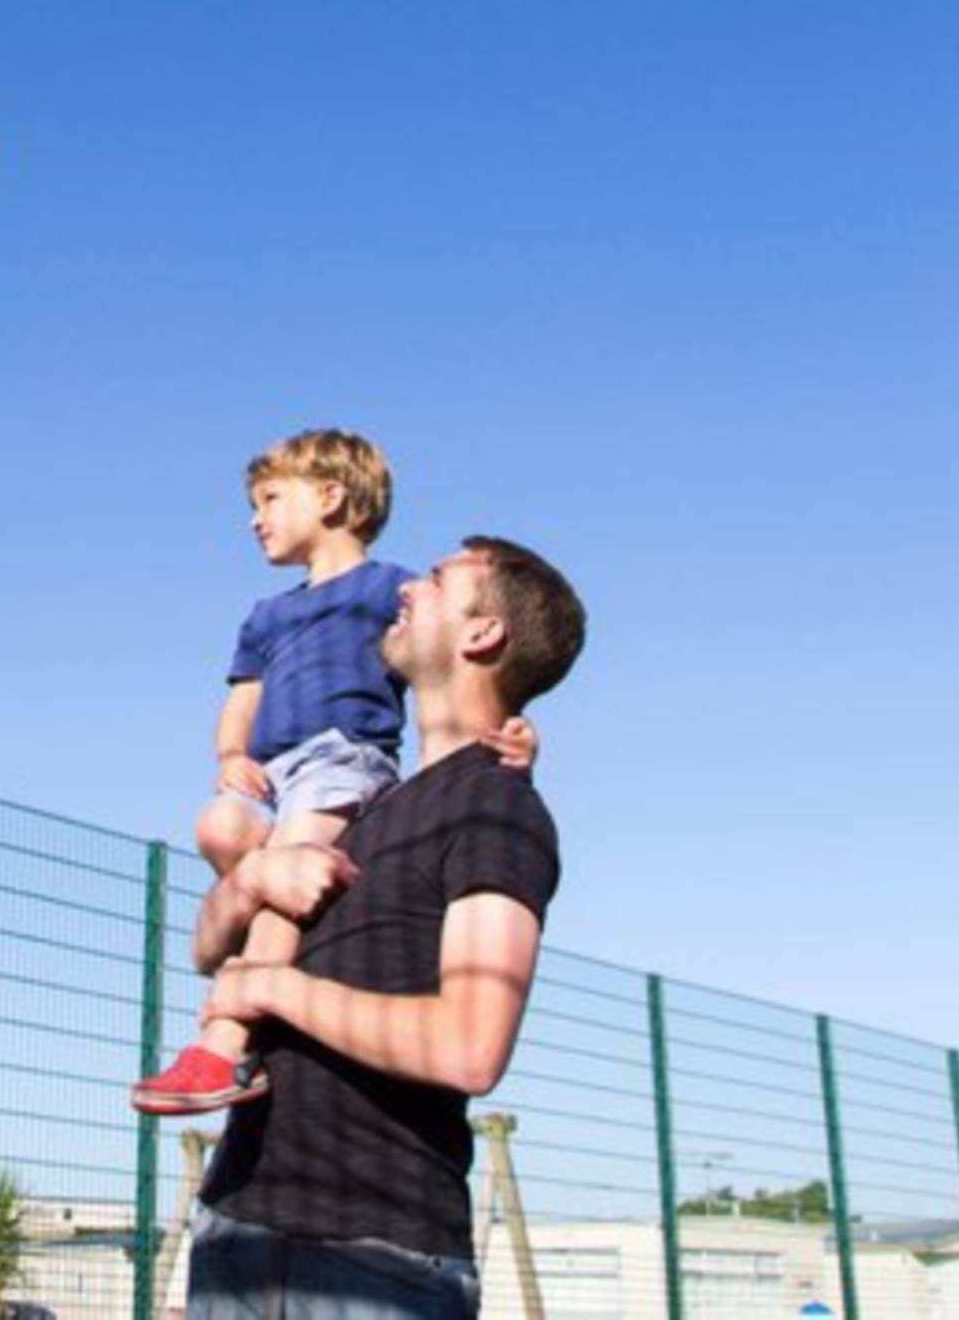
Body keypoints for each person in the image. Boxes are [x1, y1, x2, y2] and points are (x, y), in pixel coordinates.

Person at [186, 537, 585, 1318]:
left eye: (435, 582)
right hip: (236, 1222)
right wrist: (251, 881)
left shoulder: (498, 807)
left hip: (377, 1255)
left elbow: (470, 1046)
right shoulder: (356, 807)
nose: (405, 590)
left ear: (483, 634)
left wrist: (275, 987)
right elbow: (208, 951)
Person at [133, 431, 530, 1115]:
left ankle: (221, 1045)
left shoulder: (388, 588)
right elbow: (242, 703)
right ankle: (270, 933)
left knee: (289, 865)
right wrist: (232, 756)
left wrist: (513, 728)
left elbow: (461, 662)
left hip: (342, 754)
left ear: (330, 497)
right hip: (277, 770)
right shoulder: (265, 616)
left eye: (270, 499)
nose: (255, 518)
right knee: (220, 824)